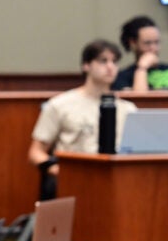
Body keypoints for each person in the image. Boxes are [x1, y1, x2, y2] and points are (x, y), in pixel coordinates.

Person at [29, 39, 137, 179]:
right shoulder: (60, 104)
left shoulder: (129, 109)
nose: (110, 67)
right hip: (76, 177)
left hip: (118, 178)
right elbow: (35, 152)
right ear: (86, 65)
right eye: (103, 61)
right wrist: (61, 172)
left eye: (114, 62)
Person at [111, 15, 168, 91]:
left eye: (156, 42)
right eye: (147, 43)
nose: (154, 48)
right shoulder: (122, 77)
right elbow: (139, 100)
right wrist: (142, 68)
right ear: (133, 43)